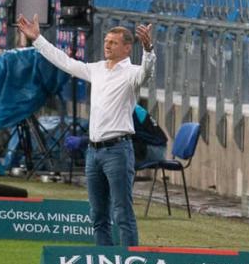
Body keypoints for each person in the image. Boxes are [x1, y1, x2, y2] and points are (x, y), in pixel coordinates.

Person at [17, 14, 155, 246]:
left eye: (113, 42)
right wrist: (38, 39)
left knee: (122, 212)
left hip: (118, 150)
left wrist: (149, 50)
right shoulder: (97, 69)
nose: (107, 46)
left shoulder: (131, 73)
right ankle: (105, 263)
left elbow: (146, 74)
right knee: (98, 214)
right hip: (94, 152)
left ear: (127, 48)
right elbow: (65, 62)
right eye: (106, 42)